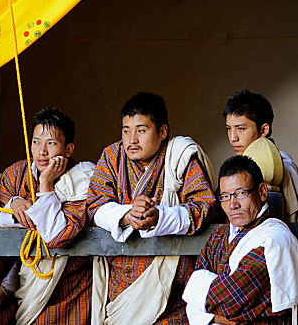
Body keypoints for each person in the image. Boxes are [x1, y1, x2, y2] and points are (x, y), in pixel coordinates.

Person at [86, 92, 216, 324]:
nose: (132, 139)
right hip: (124, 280)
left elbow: (203, 205)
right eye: (126, 130)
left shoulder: (180, 155)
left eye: (141, 130)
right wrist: (127, 215)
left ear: (162, 132)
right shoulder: (111, 156)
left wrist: (160, 216)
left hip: (173, 281)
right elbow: (95, 204)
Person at [0, 107, 95, 325]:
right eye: (36, 142)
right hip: (24, 282)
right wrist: (14, 203)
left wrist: (46, 184)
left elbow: (58, 236)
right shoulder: (17, 173)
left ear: (68, 149)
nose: (41, 151)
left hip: (72, 287)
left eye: (51, 143)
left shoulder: (82, 179)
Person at [183, 155, 298, 324]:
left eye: (241, 193)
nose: (233, 205)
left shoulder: (273, 240)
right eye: (225, 196)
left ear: (262, 192)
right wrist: (217, 316)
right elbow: (191, 296)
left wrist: (202, 302)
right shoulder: (218, 237)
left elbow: (229, 301)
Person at [223, 90, 298, 222]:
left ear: (263, 130)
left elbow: (296, 222)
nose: (233, 138)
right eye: (229, 129)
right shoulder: (237, 167)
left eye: (241, 129)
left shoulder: (283, 165)